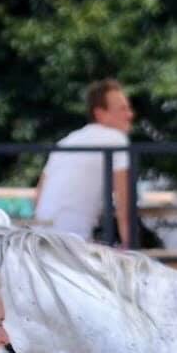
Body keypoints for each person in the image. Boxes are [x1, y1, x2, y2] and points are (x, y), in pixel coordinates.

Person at [34, 79, 136, 244]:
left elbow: (38, 195)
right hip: (74, 242)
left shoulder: (66, 142)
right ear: (100, 114)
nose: (130, 115)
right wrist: (132, 250)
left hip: (41, 237)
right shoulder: (117, 140)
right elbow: (125, 205)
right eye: (122, 109)